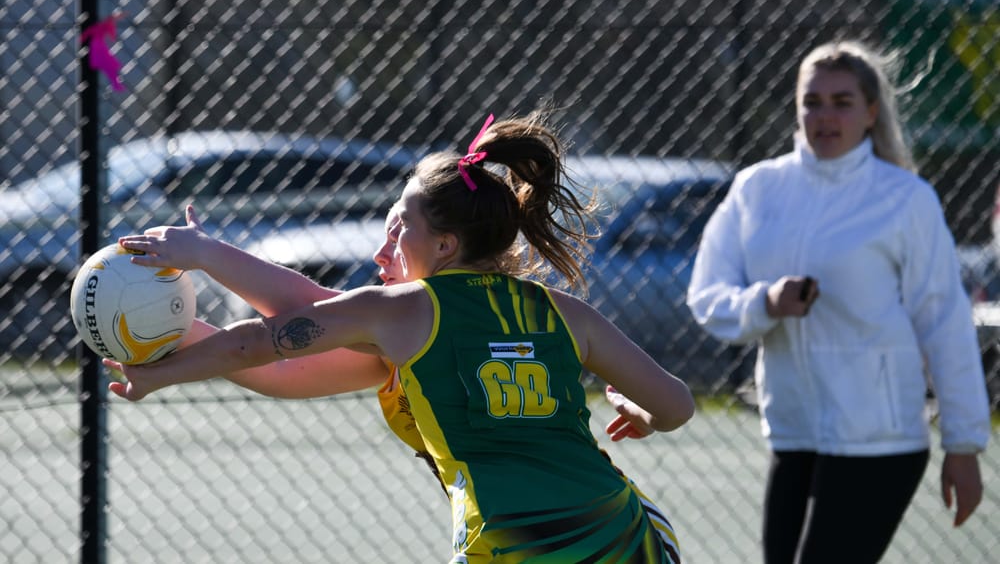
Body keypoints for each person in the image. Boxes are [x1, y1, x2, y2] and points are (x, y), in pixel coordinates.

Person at [110, 110, 695, 563]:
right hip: (626, 536)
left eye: (397, 232)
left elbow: (263, 339)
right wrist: (642, 413)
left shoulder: (404, 315)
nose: (379, 250)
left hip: (514, 545)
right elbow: (677, 404)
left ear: (443, 246)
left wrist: (157, 368)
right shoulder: (564, 314)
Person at [686, 40, 991, 564]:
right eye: (812, 101)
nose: (824, 115)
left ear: (871, 112)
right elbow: (707, 298)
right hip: (793, 433)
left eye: (842, 102)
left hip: (881, 441)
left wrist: (962, 446)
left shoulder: (906, 199)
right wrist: (766, 303)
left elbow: (944, 322)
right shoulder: (757, 188)